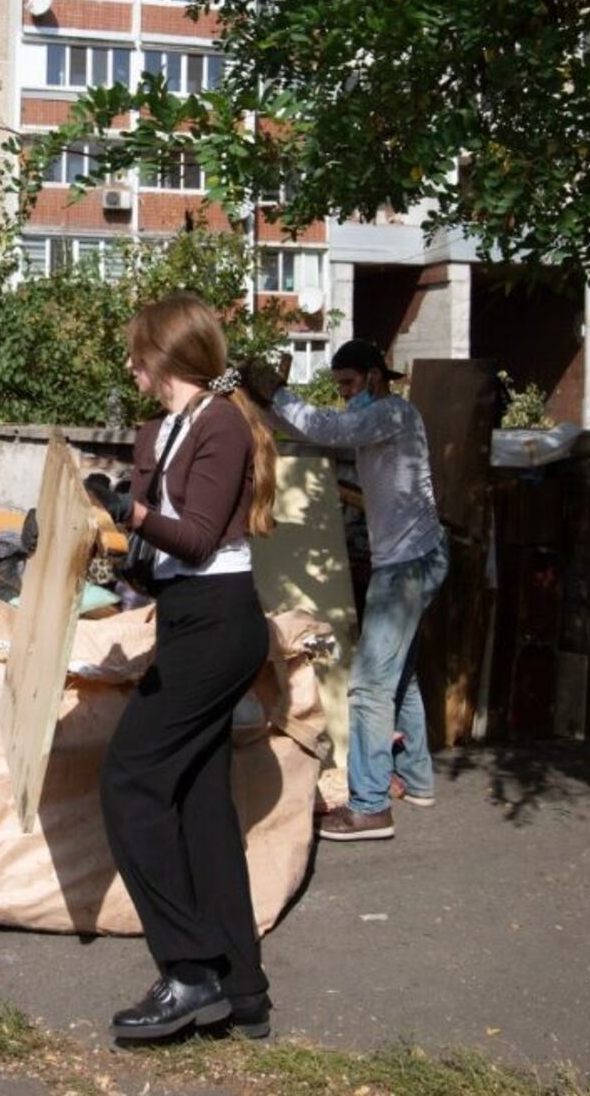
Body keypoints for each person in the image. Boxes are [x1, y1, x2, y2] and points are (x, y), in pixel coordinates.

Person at [94, 293, 278, 1042]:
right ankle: (244, 989)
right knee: (201, 808)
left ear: (165, 355)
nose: (130, 363)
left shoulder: (222, 425)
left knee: (129, 781)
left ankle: (189, 971)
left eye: (138, 350)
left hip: (220, 623)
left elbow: (198, 540)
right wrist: (99, 528)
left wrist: (128, 514)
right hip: (187, 620)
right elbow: (157, 558)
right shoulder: (166, 428)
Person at [242, 339, 447, 839]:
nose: (345, 394)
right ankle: (416, 779)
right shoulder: (378, 421)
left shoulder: (393, 413)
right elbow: (309, 428)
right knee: (402, 679)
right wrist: (263, 405)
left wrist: (280, 392)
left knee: (369, 685)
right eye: (339, 387)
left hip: (407, 568)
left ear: (377, 377)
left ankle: (370, 806)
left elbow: (328, 428)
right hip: (415, 562)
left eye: (350, 384)